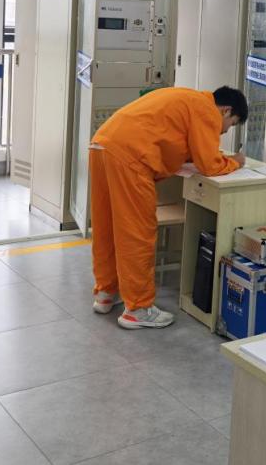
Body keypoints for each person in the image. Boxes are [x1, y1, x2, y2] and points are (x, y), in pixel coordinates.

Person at [89, 86, 247, 329]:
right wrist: (235, 162)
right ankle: (138, 309)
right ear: (225, 110)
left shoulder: (188, 99)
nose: (225, 130)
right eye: (231, 123)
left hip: (102, 145)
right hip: (131, 157)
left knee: (107, 226)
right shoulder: (207, 110)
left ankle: (106, 292)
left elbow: (176, 141)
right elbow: (210, 165)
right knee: (136, 232)